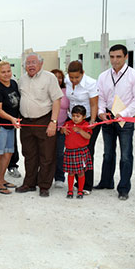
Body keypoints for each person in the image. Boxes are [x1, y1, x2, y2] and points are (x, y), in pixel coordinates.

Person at [95, 44, 135, 201]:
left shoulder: (134, 76)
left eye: (118, 57)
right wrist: (101, 112)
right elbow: (101, 97)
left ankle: (123, 188)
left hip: (125, 118)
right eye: (112, 57)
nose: (114, 60)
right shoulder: (103, 76)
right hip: (108, 118)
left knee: (126, 155)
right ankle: (106, 181)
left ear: (125, 57)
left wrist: (122, 114)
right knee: (108, 153)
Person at [16, 53, 63, 197]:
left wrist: (53, 122)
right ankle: (29, 183)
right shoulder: (21, 80)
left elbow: (56, 100)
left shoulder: (50, 78)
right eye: (28, 63)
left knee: (47, 155)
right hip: (26, 122)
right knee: (29, 154)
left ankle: (44, 185)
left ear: (41, 64)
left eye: (34, 62)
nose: (30, 65)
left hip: (44, 120)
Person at [64, 61, 99, 194]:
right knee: (72, 149)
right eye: (71, 77)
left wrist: (92, 122)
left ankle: (86, 185)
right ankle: (75, 182)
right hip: (72, 118)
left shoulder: (90, 83)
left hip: (87, 119)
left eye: (77, 77)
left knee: (86, 151)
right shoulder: (67, 80)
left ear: (82, 73)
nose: (74, 80)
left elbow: (94, 104)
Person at [0, 61, 21, 194]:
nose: (6, 74)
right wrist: (12, 119)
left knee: (8, 152)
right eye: (3, 72)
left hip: (11, 125)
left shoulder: (13, 83)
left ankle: (1, 179)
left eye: (8, 71)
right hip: (0, 125)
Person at [60, 105, 93, 199]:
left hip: (81, 152)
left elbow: (88, 137)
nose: (75, 118)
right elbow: (62, 132)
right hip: (70, 151)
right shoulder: (68, 123)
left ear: (84, 116)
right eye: (73, 115)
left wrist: (80, 130)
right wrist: (63, 130)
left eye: (78, 116)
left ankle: (80, 190)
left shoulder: (86, 125)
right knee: (71, 172)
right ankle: (70, 190)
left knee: (81, 172)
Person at [50, 69, 70, 189]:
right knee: (47, 154)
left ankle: (59, 177)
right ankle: (45, 176)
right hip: (48, 127)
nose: (57, 79)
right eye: (54, 76)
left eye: (60, 77)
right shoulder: (47, 90)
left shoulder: (66, 92)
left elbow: (71, 110)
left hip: (62, 128)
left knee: (59, 154)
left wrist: (66, 125)